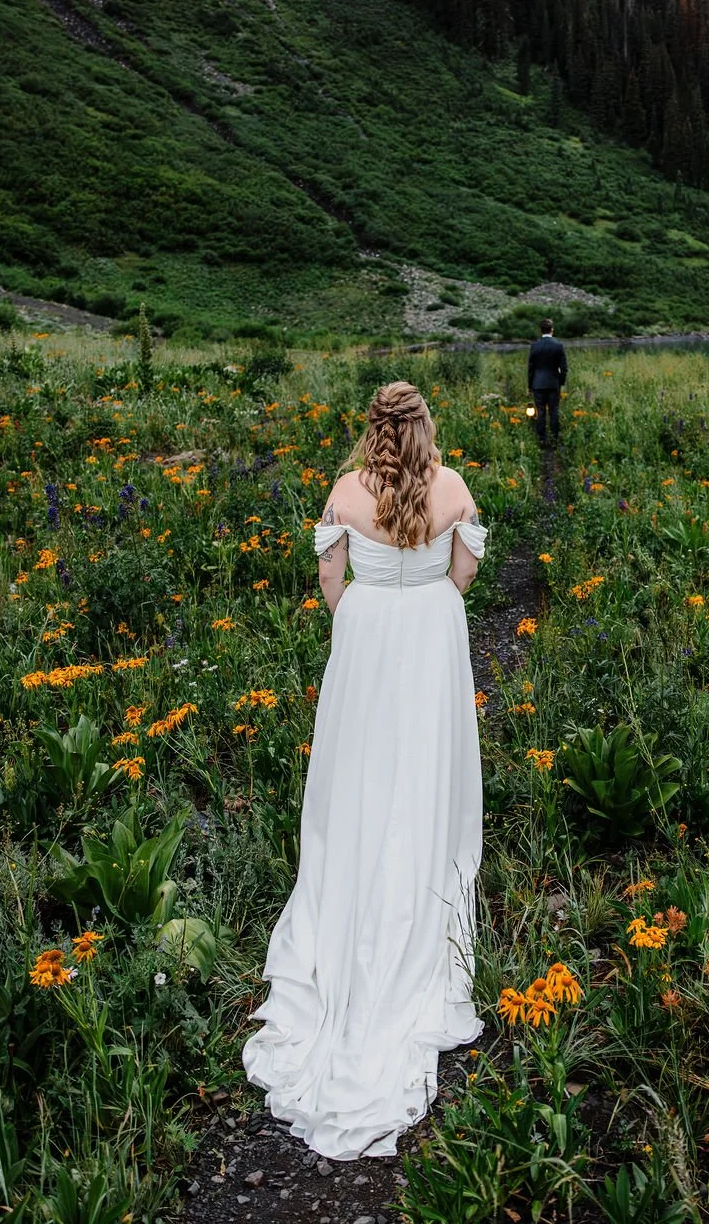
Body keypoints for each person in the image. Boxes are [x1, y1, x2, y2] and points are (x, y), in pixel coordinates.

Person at [242, 381, 488, 1161]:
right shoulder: (453, 487)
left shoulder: (344, 491)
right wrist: (427, 608)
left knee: (360, 766)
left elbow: (330, 583)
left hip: (368, 633)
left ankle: (354, 872)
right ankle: (420, 867)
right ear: (423, 426)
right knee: (426, 764)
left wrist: (366, 614)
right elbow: (464, 572)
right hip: (431, 633)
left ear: (373, 428)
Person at [527, 316, 568, 445]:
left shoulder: (535, 346)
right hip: (553, 383)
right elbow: (564, 368)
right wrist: (560, 382)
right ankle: (555, 438)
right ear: (552, 330)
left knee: (541, 412)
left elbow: (531, 368)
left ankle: (541, 438)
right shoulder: (558, 346)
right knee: (554, 411)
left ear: (541, 330)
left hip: (538, 383)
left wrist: (530, 385)